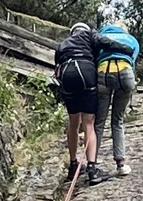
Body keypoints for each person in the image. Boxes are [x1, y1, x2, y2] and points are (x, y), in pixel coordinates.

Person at [54, 23, 121, 185]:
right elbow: (104, 42)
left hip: (66, 74)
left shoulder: (62, 44)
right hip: (85, 70)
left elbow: (56, 68)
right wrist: (123, 48)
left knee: (73, 122)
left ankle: (73, 165)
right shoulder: (89, 34)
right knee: (88, 123)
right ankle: (92, 169)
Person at [93, 22, 140, 177]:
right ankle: (121, 164)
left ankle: (91, 163)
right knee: (117, 120)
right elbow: (132, 59)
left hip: (103, 74)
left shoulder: (100, 37)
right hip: (125, 74)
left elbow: (94, 58)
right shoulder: (131, 39)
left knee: (99, 122)